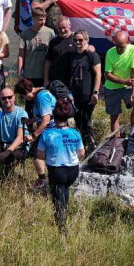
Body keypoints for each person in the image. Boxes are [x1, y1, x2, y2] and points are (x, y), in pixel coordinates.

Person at [36, 98, 85, 233]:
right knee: (65, 191)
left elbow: (40, 156)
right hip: (73, 170)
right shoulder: (75, 133)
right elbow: (81, 153)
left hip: (57, 170)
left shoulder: (47, 134)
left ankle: (62, 228)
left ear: (54, 115)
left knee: (57, 198)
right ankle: (64, 218)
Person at [16, 78, 57, 191]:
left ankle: (43, 182)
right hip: (50, 129)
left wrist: (33, 136)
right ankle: (48, 180)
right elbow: (43, 115)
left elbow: (46, 120)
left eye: (22, 96)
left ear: (26, 92)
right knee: (42, 155)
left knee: (35, 153)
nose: (23, 99)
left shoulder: (41, 97)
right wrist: (30, 121)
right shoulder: (41, 93)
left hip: (50, 130)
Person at [64, 30, 102, 150]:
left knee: (86, 120)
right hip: (76, 92)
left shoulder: (91, 55)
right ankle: (81, 146)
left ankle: (91, 144)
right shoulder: (73, 55)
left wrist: (95, 92)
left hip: (88, 92)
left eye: (80, 40)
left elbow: (98, 73)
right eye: (75, 40)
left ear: (86, 40)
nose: (78, 42)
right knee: (78, 119)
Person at [103, 30, 134, 136]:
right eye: (117, 46)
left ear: (128, 43)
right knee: (114, 116)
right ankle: (116, 141)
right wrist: (124, 81)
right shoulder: (110, 53)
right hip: (112, 87)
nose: (119, 49)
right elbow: (108, 75)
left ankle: (133, 132)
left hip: (127, 87)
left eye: (122, 47)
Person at [0, 86, 30, 174]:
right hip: (3, 143)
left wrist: (6, 153)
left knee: (9, 161)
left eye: (10, 97)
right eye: (4, 98)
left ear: (14, 97)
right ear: (0, 100)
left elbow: (20, 137)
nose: (7, 100)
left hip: (19, 146)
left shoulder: (21, 113)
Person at [18, 8, 55, 92]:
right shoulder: (25, 34)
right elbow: (21, 55)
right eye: (40, 20)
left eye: (45, 19)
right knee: (30, 101)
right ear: (33, 18)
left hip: (45, 74)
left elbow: (53, 53)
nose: (43, 22)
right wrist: (20, 74)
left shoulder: (50, 32)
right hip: (30, 74)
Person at [45, 17, 76, 87]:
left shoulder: (77, 39)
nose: (62, 30)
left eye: (64, 27)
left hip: (72, 82)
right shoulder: (53, 41)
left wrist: (91, 47)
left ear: (69, 25)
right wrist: (46, 80)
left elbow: (86, 47)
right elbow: (48, 62)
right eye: (59, 28)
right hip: (56, 81)